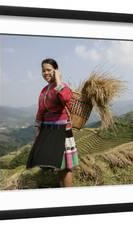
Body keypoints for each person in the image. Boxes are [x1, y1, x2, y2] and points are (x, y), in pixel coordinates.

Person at [26, 58, 79, 187]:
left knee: (65, 166)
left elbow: (66, 98)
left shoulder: (62, 86)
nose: (46, 73)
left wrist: (59, 80)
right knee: (57, 164)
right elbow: (41, 109)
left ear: (56, 71)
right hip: (48, 129)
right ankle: (61, 187)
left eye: (49, 70)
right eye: (43, 71)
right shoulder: (44, 90)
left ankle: (68, 195)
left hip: (61, 129)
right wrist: (38, 127)